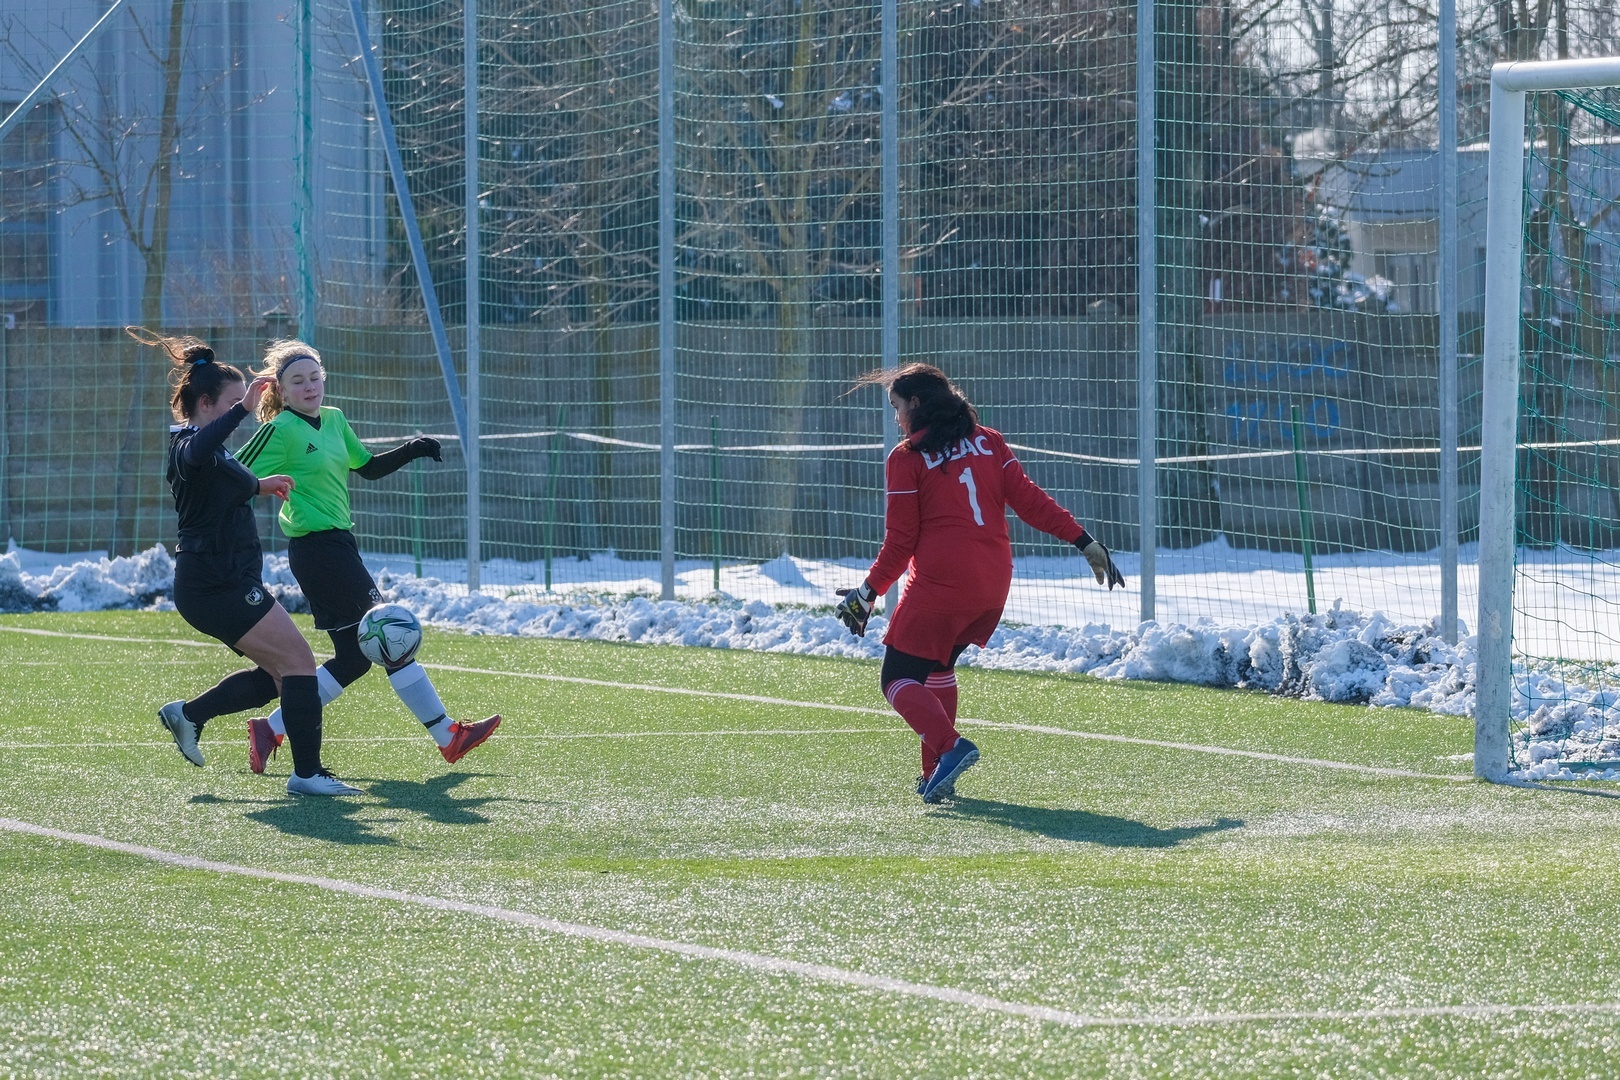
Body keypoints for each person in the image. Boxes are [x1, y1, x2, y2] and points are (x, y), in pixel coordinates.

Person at [834, 363, 1124, 803]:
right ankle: (934, 772)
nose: (895, 418)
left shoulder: (906, 457)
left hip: (941, 584)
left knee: (896, 679)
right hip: (992, 582)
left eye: (896, 407)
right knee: (938, 668)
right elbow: (1029, 500)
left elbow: (900, 542)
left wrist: (866, 593)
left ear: (916, 404)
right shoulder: (988, 441)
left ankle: (950, 748)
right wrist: (1083, 540)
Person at [236, 339, 500, 773]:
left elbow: (368, 467)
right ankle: (448, 735)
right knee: (389, 633)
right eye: (298, 381)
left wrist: (411, 449)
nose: (309, 386)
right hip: (316, 551)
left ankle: (272, 727)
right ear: (280, 390)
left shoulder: (335, 419)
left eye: (314, 378)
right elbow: (231, 473)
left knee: (356, 657)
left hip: (340, 546)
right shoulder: (280, 429)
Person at [132, 326, 361, 796]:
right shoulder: (188, 444)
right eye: (235, 404)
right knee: (299, 662)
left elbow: (223, 484)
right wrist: (242, 410)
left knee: (280, 675)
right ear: (206, 405)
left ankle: (189, 714)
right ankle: (307, 774)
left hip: (225, 579)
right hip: (214, 583)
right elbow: (200, 455)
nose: (246, 411)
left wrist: (261, 485)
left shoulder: (214, 454)